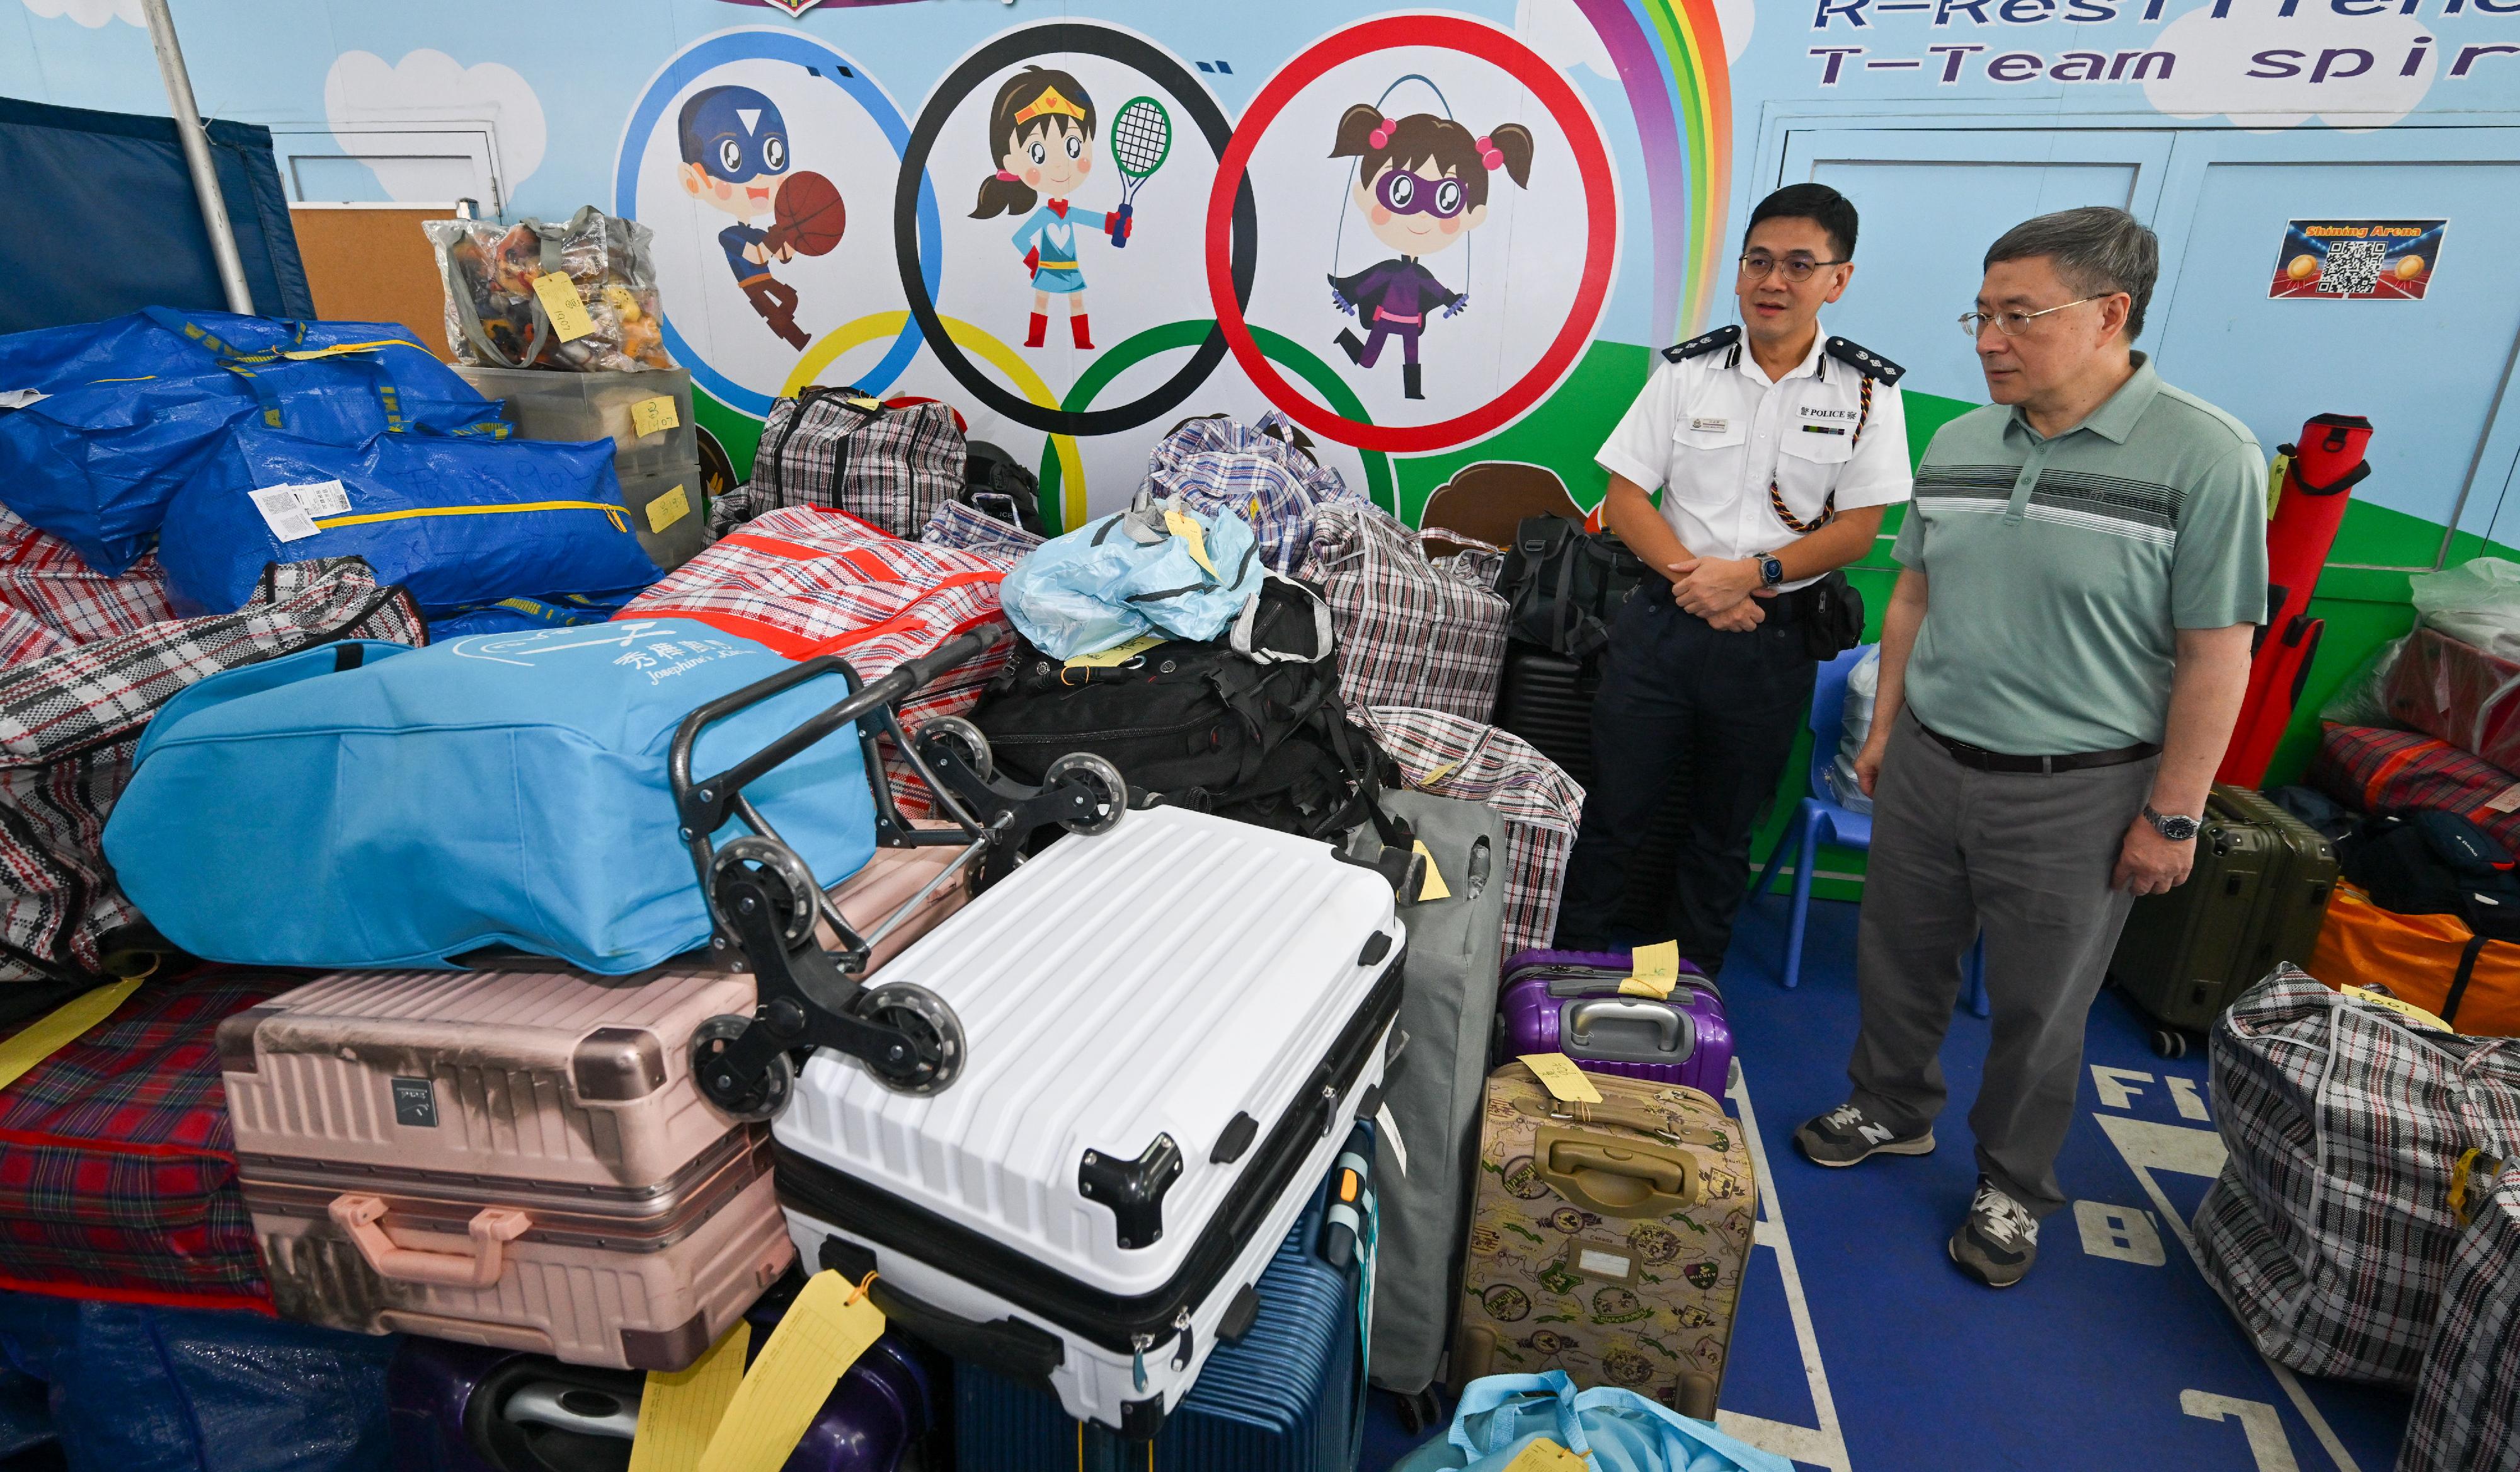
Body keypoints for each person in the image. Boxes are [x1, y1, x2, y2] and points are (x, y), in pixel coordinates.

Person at [1792, 206, 2265, 1289]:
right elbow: (1913, 591)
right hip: (1928, 760)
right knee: (1898, 956)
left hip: (2082, 791)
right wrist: (1888, 724)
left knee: (2041, 1004)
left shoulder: (2206, 455)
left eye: (2020, 316)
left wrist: (2174, 813)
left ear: (2111, 314)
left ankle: (2014, 1181)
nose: (1989, 339)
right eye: (1983, 314)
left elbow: (2215, 658)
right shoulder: (1960, 441)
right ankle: (1892, 1106)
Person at [1553, 183, 1911, 977]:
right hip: (1662, 629)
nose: (1771, 281)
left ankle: (1682, 991)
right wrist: (1701, 586)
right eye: (1757, 261)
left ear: (1837, 279)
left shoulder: (1866, 394)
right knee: (1612, 815)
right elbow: (1624, 499)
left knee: (1719, 835)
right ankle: (1565, 978)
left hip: (1770, 645)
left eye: (1797, 264)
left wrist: (1749, 577)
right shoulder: (1687, 373)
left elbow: (1857, 530)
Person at [1325, 106, 1535, 401]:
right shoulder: (1388, 270)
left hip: (1412, 323)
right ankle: (1344, 339)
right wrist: (1349, 296)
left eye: (1446, 199)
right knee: (1368, 360)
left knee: (1412, 357)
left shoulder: (1420, 275)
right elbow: (1368, 285)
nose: (1422, 215)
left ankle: (1414, 393)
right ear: (1365, 193)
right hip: (1385, 317)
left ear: (1473, 215)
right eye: (1402, 193)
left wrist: (1451, 300)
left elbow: (1434, 289)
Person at [970, 67, 1134, 351]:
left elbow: (1092, 220)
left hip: (1069, 268)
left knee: (1076, 301)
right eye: (1039, 153)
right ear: (1010, 162)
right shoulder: (1046, 215)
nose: (1060, 165)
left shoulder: (1067, 212)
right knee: (1042, 301)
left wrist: (1115, 224)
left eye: (1074, 147)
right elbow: (1019, 238)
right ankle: (1036, 340)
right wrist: (1034, 262)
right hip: (1046, 268)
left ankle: (1083, 342)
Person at [677, 85, 806, 348]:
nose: (759, 177)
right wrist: (776, 237)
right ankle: (796, 339)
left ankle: (794, 336)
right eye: (733, 160)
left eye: (774, 155)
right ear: (694, 181)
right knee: (773, 312)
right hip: (752, 284)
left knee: (790, 299)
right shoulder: (729, 235)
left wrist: (794, 236)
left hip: (766, 278)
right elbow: (757, 256)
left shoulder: (760, 233)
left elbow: (783, 256)